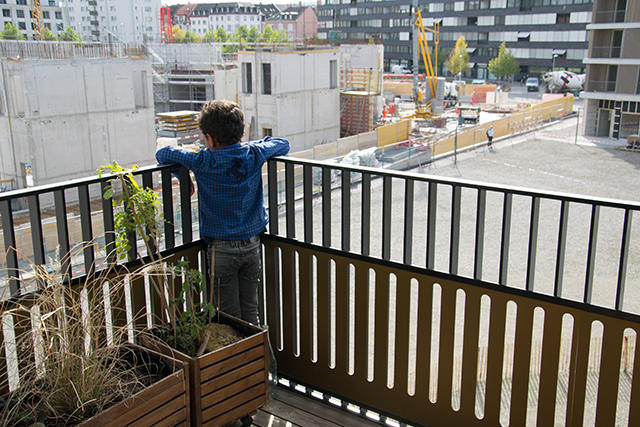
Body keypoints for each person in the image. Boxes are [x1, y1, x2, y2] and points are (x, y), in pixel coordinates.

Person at [156, 100, 290, 325]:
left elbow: (163, 153)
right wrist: (254, 144)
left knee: (229, 317)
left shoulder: (202, 160)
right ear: (241, 131)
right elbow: (282, 144)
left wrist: (183, 176)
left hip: (221, 250)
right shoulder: (254, 153)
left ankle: (238, 359)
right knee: (251, 313)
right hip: (251, 246)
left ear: (209, 138)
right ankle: (265, 361)